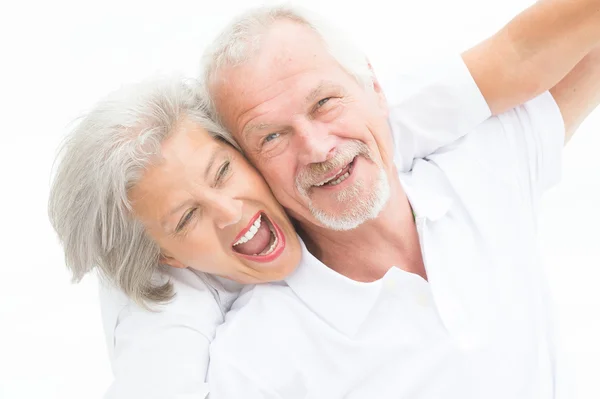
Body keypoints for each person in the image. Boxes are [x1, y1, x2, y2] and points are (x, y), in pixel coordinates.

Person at [50, 1, 600, 398]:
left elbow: (544, 52)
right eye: (271, 136)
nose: (316, 147)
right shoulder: (247, 359)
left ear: (376, 89)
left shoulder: (475, 170)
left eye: (325, 102)